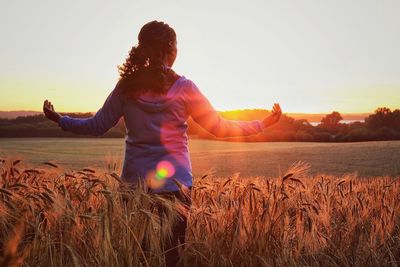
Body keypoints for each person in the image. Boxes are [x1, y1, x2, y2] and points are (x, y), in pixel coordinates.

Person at [43, 20, 282, 267]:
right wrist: (262, 124)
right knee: (173, 256)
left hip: (135, 186)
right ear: (171, 49)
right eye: (176, 46)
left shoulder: (127, 87)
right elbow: (219, 126)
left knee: (140, 255)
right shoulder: (185, 88)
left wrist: (61, 119)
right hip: (176, 185)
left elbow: (96, 125)